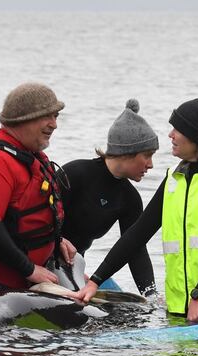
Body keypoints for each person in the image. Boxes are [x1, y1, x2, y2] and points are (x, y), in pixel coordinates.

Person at [74, 95, 198, 323]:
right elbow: (138, 233)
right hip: (180, 307)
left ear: (197, 136)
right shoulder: (175, 176)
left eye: (177, 129)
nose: (170, 135)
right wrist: (96, 280)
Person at [0, 82, 76, 293]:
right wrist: (29, 269)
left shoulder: (30, 154)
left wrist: (56, 242)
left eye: (56, 116)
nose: (54, 124)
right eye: (47, 116)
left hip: (28, 284)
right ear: (23, 119)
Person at [60, 99, 157, 296]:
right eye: (147, 156)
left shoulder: (130, 198)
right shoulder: (75, 173)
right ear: (126, 152)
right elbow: (37, 221)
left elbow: (135, 249)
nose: (151, 164)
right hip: (41, 262)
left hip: (73, 267)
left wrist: (151, 295)